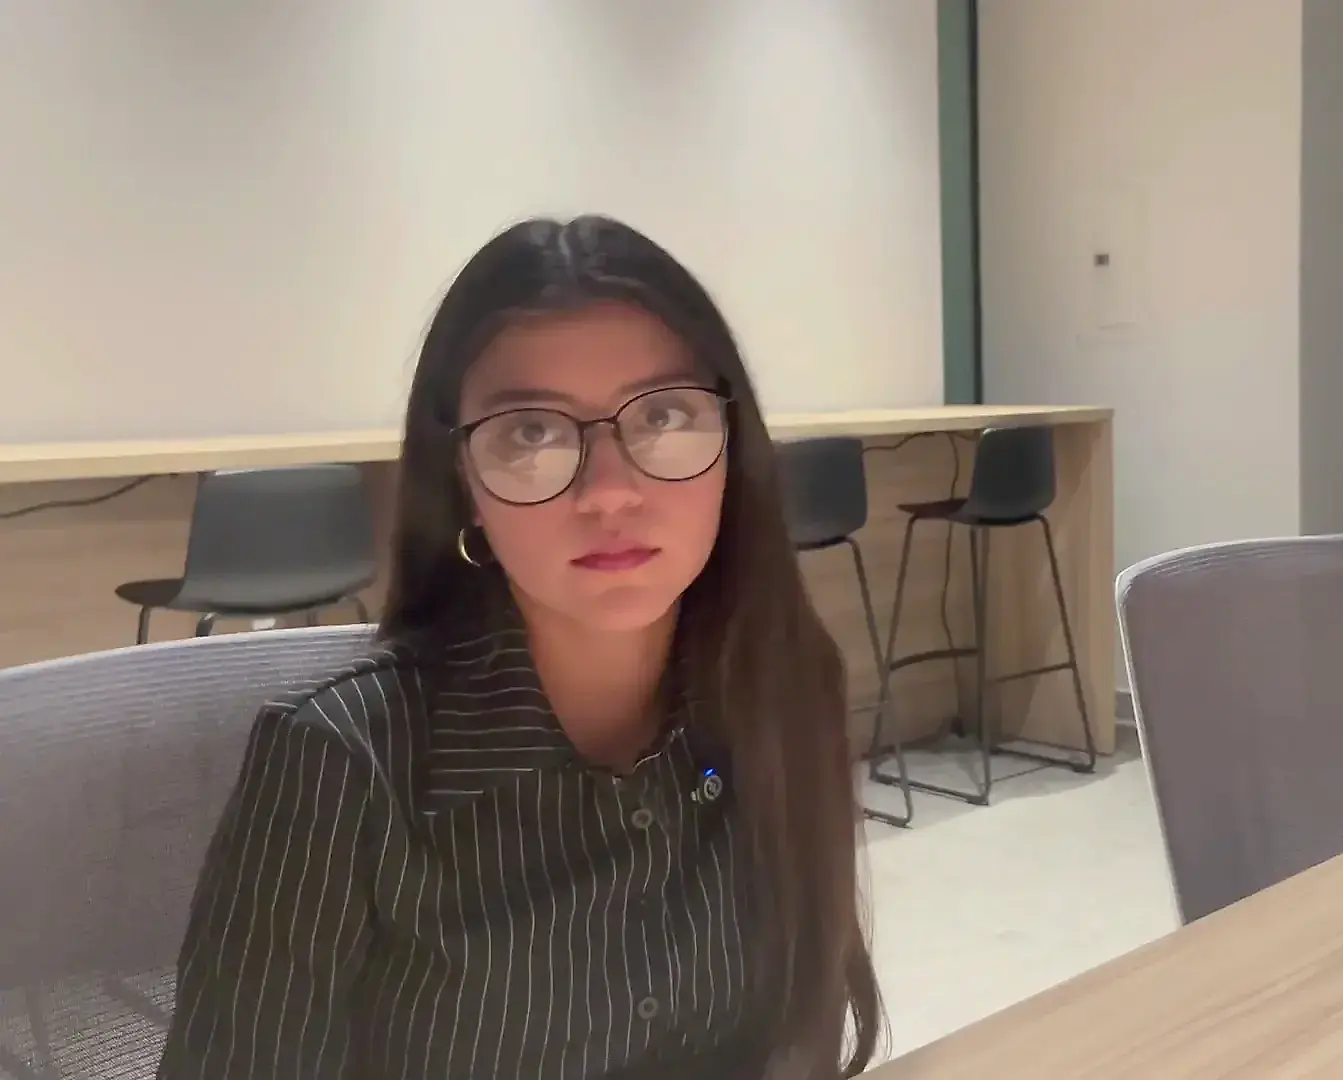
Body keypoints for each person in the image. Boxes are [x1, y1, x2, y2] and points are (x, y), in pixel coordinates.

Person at [158, 215, 883, 1079]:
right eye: (532, 434)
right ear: (464, 482)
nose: (609, 492)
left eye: (664, 415)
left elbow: (797, 1043)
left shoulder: (783, 689)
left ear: (733, 447)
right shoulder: (343, 763)